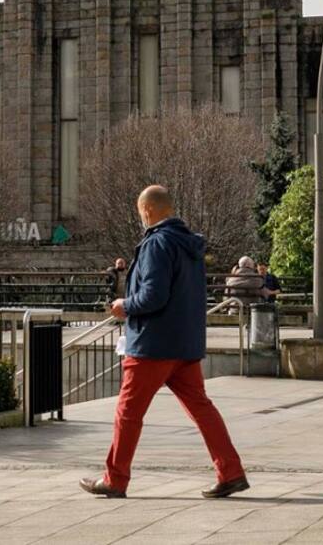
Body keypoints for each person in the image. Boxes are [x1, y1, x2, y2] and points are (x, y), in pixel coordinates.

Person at [79, 185, 248, 500]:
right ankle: (231, 472)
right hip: (184, 344)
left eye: (139, 211)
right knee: (202, 409)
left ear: (147, 211)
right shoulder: (189, 245)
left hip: (153, 345)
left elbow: (153, 295)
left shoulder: (156, 244)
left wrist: (124, 306)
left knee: (128, 412)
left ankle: (114, 479)